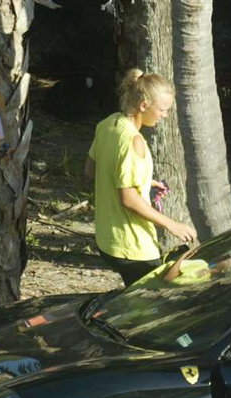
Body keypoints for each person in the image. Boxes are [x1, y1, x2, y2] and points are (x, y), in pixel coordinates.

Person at [85, 68, 197, 286]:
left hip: (107, 241)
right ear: (144, 106)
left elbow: (92, 169)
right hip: (133, 246)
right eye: (163, 110)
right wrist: (173, 225)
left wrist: (144, 182)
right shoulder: (135, 142)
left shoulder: (108, 124)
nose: (165, 116)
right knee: (153, 304)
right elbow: (128, 198)